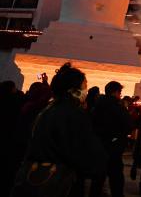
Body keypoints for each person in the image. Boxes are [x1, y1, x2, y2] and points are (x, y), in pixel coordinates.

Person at [11, 63, 107, 197]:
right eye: (84, 86)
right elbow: (82, 150)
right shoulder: (73, 113)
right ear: (74, 91)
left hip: (35, 174)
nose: (86, 91)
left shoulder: (47, 109)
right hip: (58, 179)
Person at [90, 81, 132, 197]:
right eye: (120, 92)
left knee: (98, 179)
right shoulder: (118, 107)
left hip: (99, 145)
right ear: (115, 92)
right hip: (114, 146)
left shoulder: (96, 106)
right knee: (116, 178)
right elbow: (128, 125)